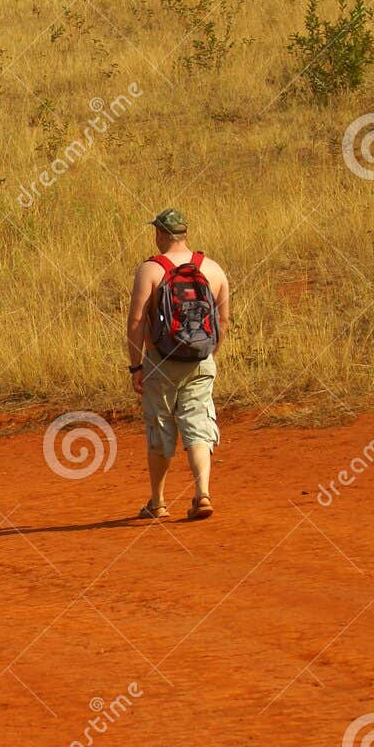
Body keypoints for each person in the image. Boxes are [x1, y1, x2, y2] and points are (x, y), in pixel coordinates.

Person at [126, 209, 230, 522]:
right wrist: (208, 353)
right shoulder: (213, 269)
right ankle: (202, 493)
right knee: (198, 426)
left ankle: (157, 502)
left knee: (160, 429)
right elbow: (223, 321)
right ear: (184, 234)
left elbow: (136, 320)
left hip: (160, 361)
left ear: (160, 234)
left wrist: (136, 366)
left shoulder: (151, 270)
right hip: (200, 361)